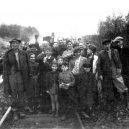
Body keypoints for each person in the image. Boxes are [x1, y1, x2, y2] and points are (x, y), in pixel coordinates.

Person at [3, 38, 30, 120]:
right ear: (11, 45)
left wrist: (28, 75)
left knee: (21, 92)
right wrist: (6, 77)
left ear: (19, 44)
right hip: (12, 75)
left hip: (21, 75)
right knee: (14, 93)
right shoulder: (8, 54)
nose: (15, 45)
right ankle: (15, 112)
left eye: (17, 43)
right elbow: (5, 68)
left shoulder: (24, 53)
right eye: (13, 43)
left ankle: (21, 111)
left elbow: (27, 65)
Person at [97, 39, 124, 112]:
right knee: (107, 89)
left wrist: (119, 68)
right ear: (104, 45)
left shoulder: (115, 51)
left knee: (116, 86)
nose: (107, 45)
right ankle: (109, 105)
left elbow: (118, 61)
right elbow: (99, 65)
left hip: (114, 72)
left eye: (108, 44)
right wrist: (100, 74)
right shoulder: (101, 53)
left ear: (110, 44)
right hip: (106, 74)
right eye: (105, 44)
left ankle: (117, 103)